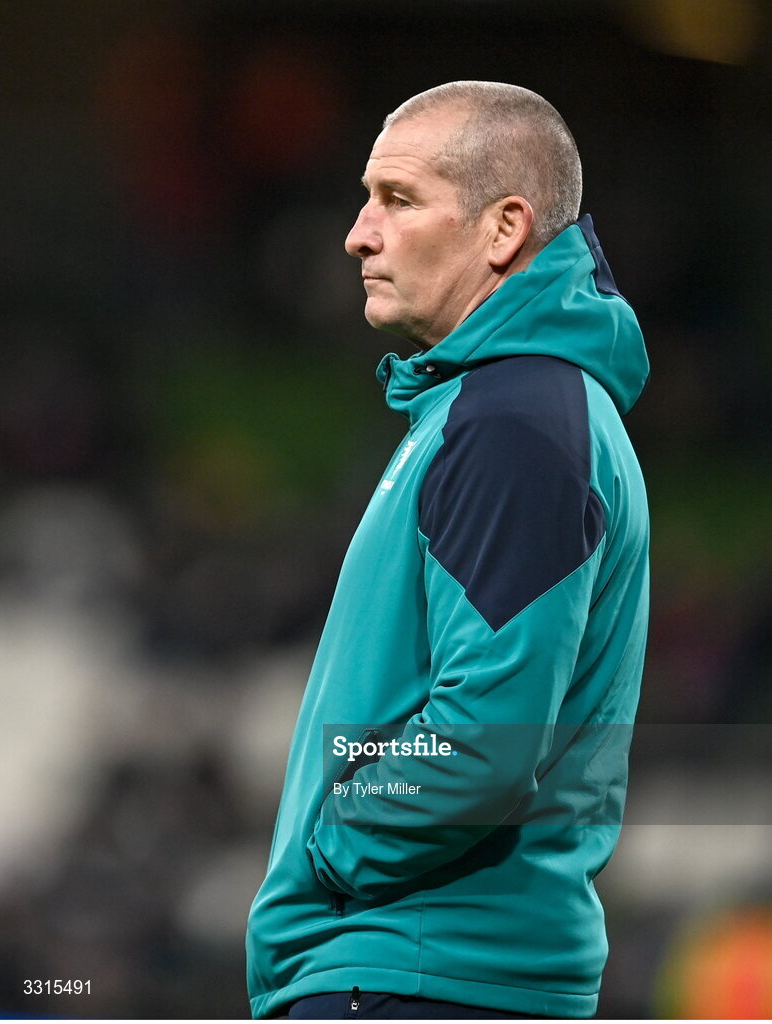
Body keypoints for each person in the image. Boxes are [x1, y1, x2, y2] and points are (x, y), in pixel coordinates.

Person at [246, 81, 650, 1020]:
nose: (357, 233)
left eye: (397, 198)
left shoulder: (514, 422)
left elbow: (483, 744)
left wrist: (327, 847)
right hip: (424, 973)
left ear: (503, 228)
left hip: (415, 974)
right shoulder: (501, 410)